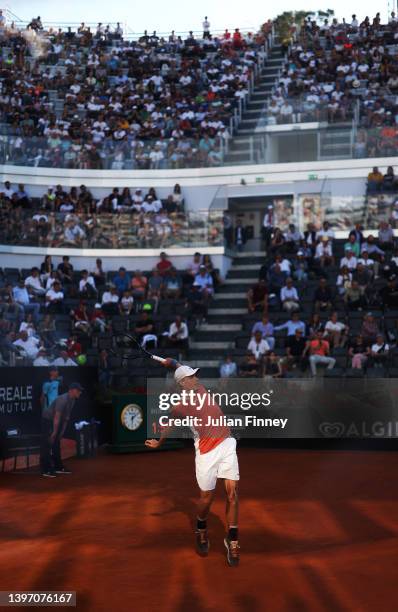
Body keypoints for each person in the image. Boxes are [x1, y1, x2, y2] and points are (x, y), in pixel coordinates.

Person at [145, 364, 240, 566]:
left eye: (196, 375)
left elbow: (176, 365)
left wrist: (169, 362)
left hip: (226, 443)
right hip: (206, 452)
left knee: (232, 493)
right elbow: (169, 423)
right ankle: (201, 527)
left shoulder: (201, 389)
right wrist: (159, 442)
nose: (196, 379)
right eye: (191, 377)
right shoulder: (180, 405)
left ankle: (232, 539)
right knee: (207, 498)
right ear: (182, 383)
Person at [40, 382, 83, 477]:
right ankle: (45, 469)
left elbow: (66, 417)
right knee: (47, 443)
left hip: (56, 421)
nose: (80, 392)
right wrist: (54, 432)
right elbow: (57, 416)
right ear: (71, 390)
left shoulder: (72, 400)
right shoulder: (62, 399)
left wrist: (62, 432)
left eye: (80, 391)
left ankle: (58, 467)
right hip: (48, 420)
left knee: (56, 443)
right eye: (78, 390)